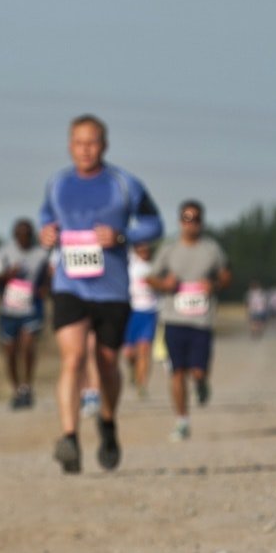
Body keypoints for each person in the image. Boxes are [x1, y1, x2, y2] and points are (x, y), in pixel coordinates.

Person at [38, 114, 163, 473]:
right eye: (78, 142)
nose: (85, 149)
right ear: (69, 145)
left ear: (104, 146)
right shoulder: (58, 184)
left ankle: (107, 424)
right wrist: (47, 234)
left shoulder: (125, 184)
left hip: (111, 290)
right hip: (70, 285)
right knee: (73, 358)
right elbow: (46, 218)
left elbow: (154, 224)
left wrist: (123, 236)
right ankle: (70, 438)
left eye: (92, 143)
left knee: (107, 363)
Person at [148, 200, 231, 441]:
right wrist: (164, 284)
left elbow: (226, 274)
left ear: (201, 222)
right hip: (173, 319)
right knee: (177, 372)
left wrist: (214, 284)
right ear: (179, 221)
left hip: (201, 321)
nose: (191, 223)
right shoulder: (169, 249)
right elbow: (150, 277)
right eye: (186, 218)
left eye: (195, 219)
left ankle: (202, 382)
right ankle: (182, 420)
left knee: (197, 371)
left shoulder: (211, 249)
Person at [0, 218, 50, 408]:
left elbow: (50, 276)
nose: (24, 238)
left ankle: (27, 386)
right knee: (10, 352)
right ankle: (16, 389)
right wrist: (8, 275)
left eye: (28, 235)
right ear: (15, 235)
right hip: (8, 310)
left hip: (31, 309)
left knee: (28, 347)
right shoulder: (3, 252)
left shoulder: (41, 254)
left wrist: (45, 289)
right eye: (21, 234)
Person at [122, 242, 160, 397]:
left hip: (149, 312)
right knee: (129, 353)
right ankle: (133, 369)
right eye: (141, 247)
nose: (144, 250)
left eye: (147, 247)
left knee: (144, 349)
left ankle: (142, 384)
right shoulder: (129, 262)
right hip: (130, 311)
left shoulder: (156, 266)